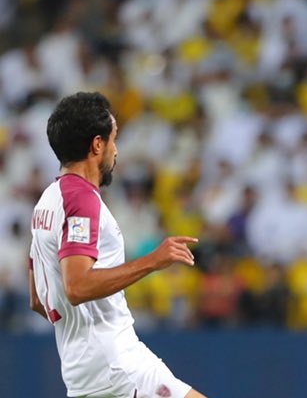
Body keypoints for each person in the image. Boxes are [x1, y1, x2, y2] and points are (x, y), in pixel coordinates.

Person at [28, 92, 207, 398]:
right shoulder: (81, 200)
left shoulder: (46, 202)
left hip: (82, 371)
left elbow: (37, 299)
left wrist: (80, 331)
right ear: (97, 145)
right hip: (117, 365)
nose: (116, 150)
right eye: (113, 139)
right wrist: (153, 261)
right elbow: (77, 286)